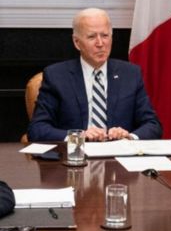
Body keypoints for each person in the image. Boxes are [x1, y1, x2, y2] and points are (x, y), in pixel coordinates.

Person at [28, 8, 162, 142]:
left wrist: (129, 137)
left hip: (118, 156)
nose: (100, 43)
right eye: (92, 37)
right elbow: (37, 129)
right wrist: (78, 136)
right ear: (77, 42)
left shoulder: (130, 74)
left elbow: (152, 125)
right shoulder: (56, 76)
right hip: (77, 156)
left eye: (105, 36)